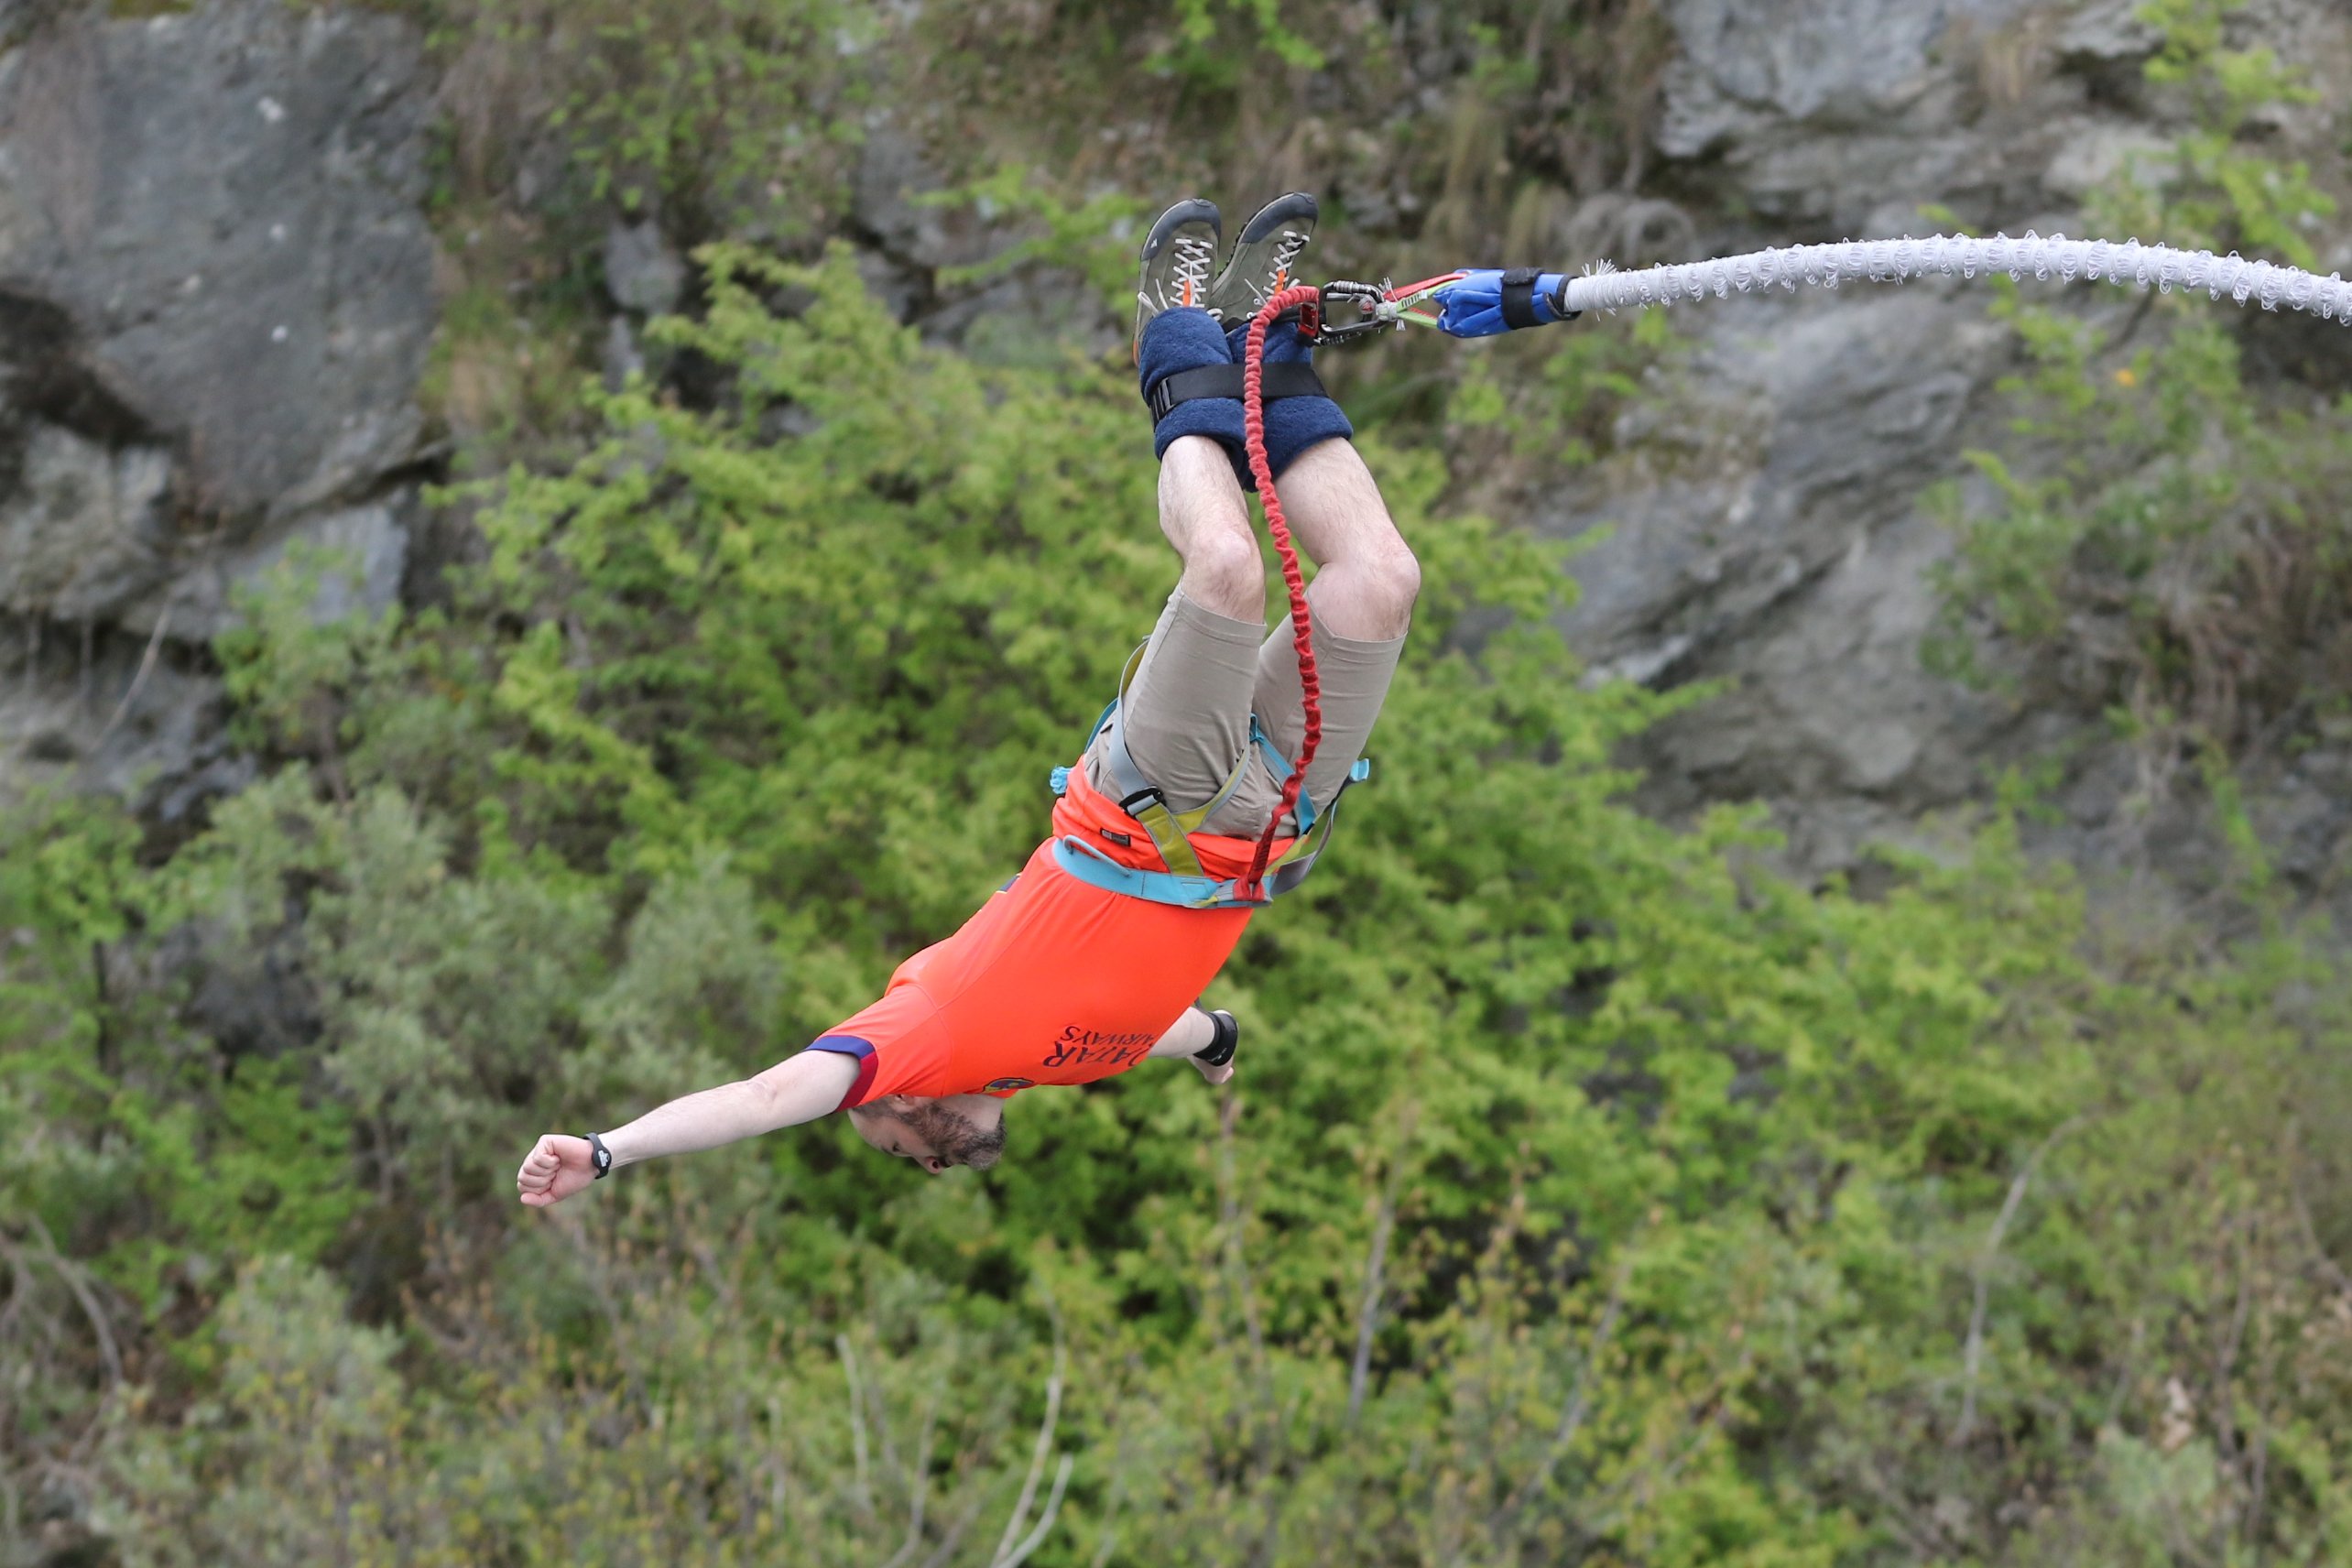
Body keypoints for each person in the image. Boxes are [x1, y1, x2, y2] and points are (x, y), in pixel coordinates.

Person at [516, 193, 1421, 1205]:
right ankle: (1262, 349)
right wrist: (1215, 1044)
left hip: (1153, 804)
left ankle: (1173, 333)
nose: (931, 1159)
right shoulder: (1066, 1062)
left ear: (894, 1096)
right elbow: (1169, 1023)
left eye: (900, 1147)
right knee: (1381, 580)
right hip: (1275, 816)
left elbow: (765, 1096)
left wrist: (608, 1149)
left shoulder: (925, 1035)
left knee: (1225, 569)